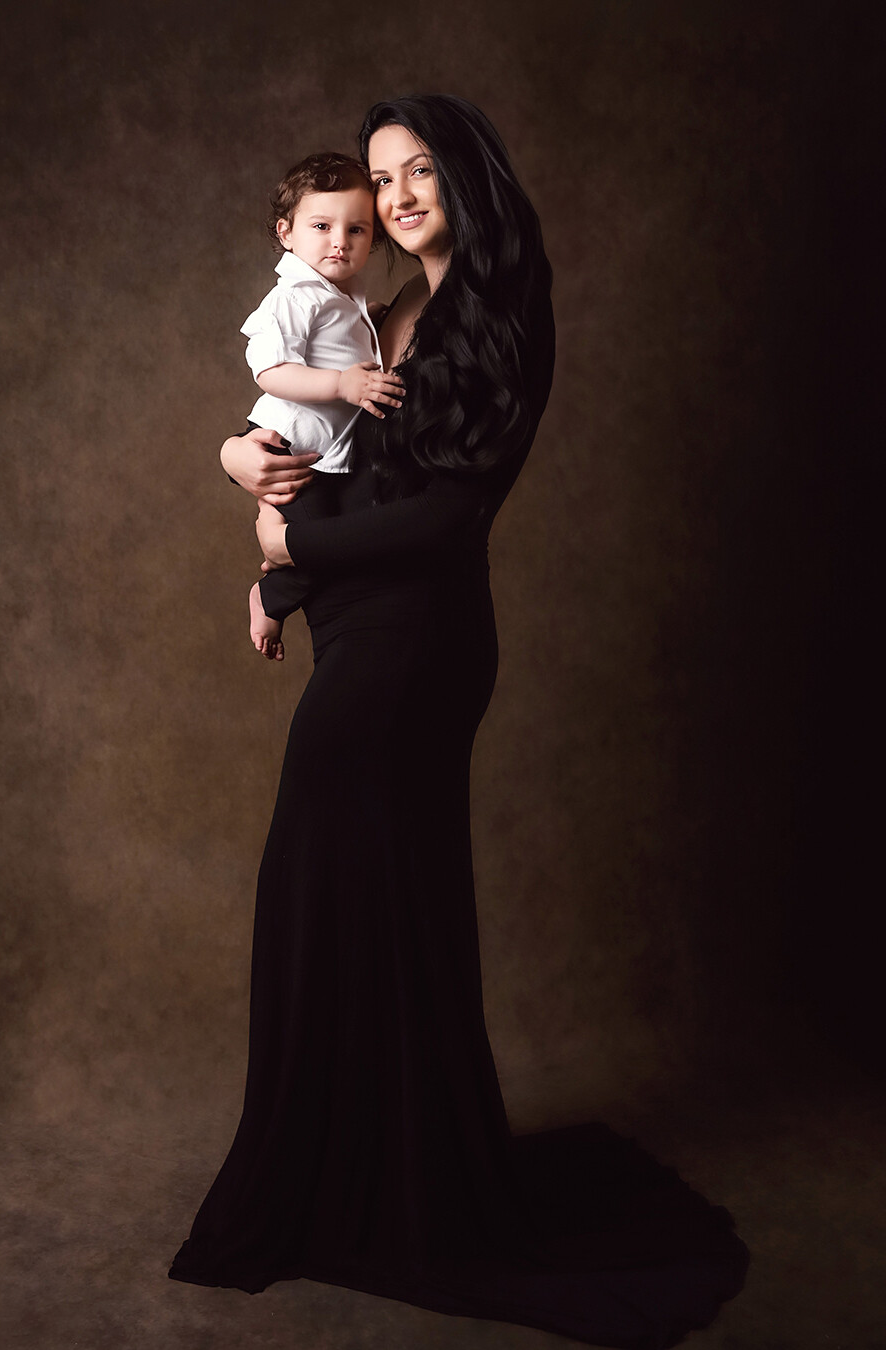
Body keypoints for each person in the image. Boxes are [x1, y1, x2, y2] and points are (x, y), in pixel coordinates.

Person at [170, 95, 748, 1348]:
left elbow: (445, 517)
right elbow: (330, 461)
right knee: (362, 905)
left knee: (332, 895)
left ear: (465, 178)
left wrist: (293, 547)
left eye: (420, 169)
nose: (397, 196)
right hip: (360, 629)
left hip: (418, 647)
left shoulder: (499, 315)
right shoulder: (383, 315)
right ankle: (384, 1170)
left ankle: (374, 1189)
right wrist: (247, 489)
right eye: (381, 178)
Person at [239, 151, 404, 661]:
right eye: (322, 226)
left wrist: (371, 322)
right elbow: (270, 370)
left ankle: (281, 584)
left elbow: (339, 337)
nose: (340, 241)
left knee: (335, 542)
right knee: (314, 547)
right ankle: (269, 597)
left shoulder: (341, 294)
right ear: (286, 232)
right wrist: (341, 384)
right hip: (291, 444)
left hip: (325, 451)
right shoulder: (294, 296)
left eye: (356, 230)